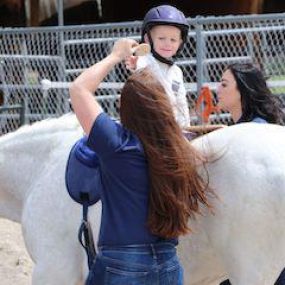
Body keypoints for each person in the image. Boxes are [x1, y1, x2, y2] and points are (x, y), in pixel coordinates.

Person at [69, 38, 212, 285]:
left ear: (125, 107)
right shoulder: (179, 150)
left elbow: (79, 89)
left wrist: (115, 55)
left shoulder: (116, 142)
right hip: (168, 262)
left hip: (121, 263)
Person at [217, 62, 285, 285]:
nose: (217, 88)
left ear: (242, 91)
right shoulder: (247, 130)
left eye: (224, 84)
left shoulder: (252, 136)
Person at [125, 5, 191, 128]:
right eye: (161, 38)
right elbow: (140, 66)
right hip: (149, 126)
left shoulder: (177, 71)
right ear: (148, 39)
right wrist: (135, 63)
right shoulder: (146, 61)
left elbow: (181, 102)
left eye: (173, 40)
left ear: (180, 43)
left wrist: (186, 127)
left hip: (173, 128)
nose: (168, 44)